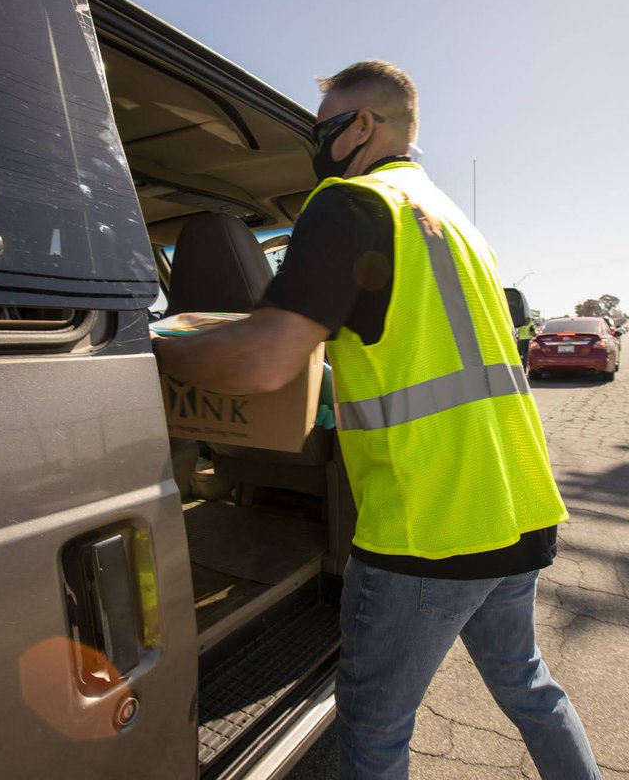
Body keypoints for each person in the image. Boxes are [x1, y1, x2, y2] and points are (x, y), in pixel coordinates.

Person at [154, 60, 599, 780]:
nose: (315, 142)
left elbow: (267, 363)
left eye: (321, 125)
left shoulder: (351, 204)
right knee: (529, 687)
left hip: (426, 525)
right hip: (514, 503)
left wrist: (165, 352)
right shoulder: (453, 221)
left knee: (375, 724)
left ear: (362, 125)